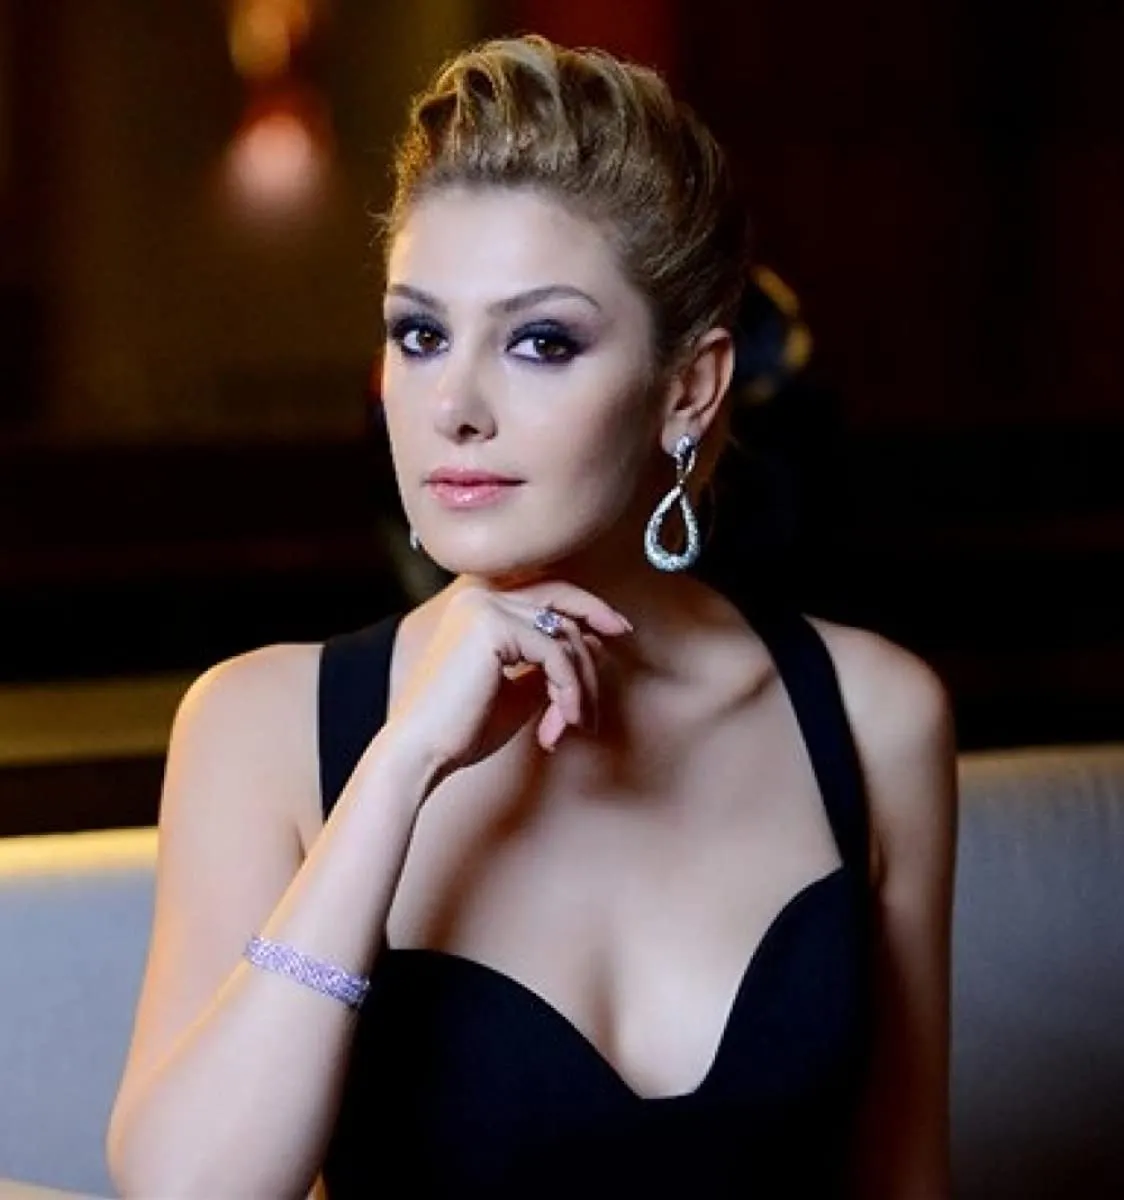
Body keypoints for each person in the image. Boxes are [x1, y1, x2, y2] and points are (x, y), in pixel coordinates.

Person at [106, 34, 957, 1199]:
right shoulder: (258, 724)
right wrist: (399, 766)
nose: (453, 404)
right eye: (419, 334)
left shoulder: (872, 719)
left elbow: (904, 1178)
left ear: (688, 389)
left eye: (539, 341)